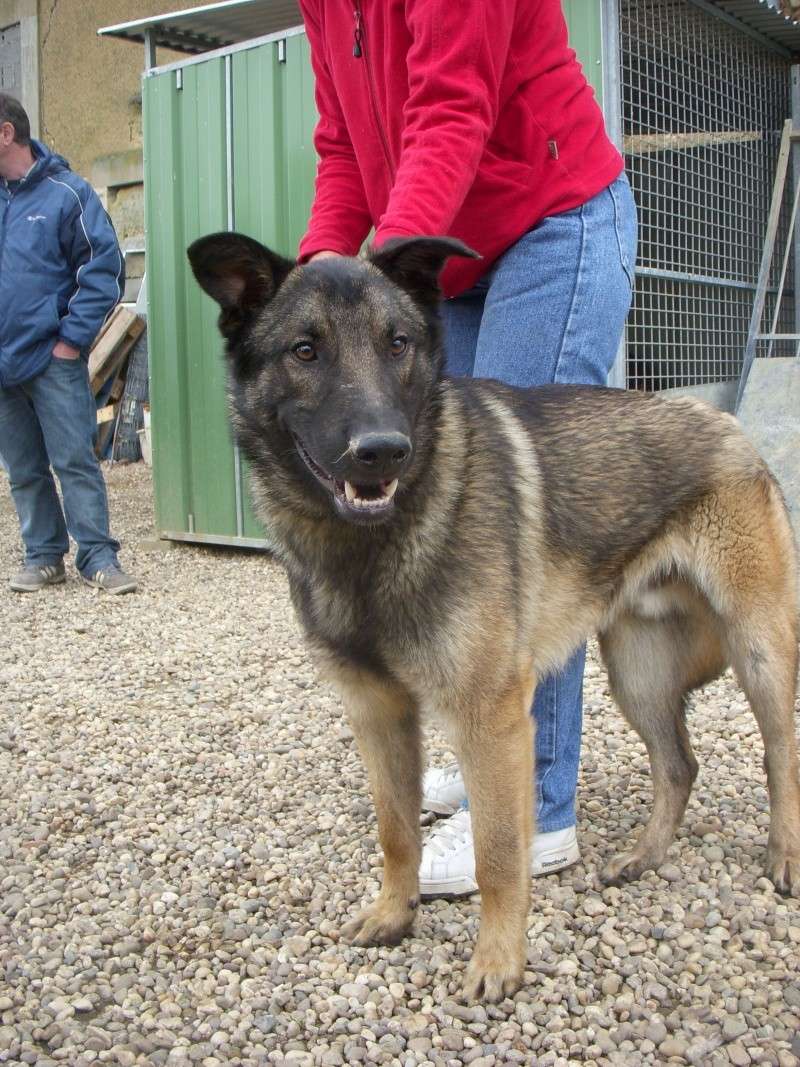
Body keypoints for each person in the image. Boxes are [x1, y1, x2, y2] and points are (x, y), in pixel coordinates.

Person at [296, 0, 637, 894]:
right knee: (442, 509)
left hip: (550, 222)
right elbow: (342, 145)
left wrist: (373, 280)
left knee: (520, 521)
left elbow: (451, 110)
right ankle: (495, 748)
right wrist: (314, 281)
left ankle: (538, 809)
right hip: (451, 257)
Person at [0, 94, 136, 595]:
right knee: (23, 469)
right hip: (3, 362)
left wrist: (70, 342)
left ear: (6, 133)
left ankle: (98, 556)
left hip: (51, 359)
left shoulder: (67, 194)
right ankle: (43, 557)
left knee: (74, 460)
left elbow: (103, 272)